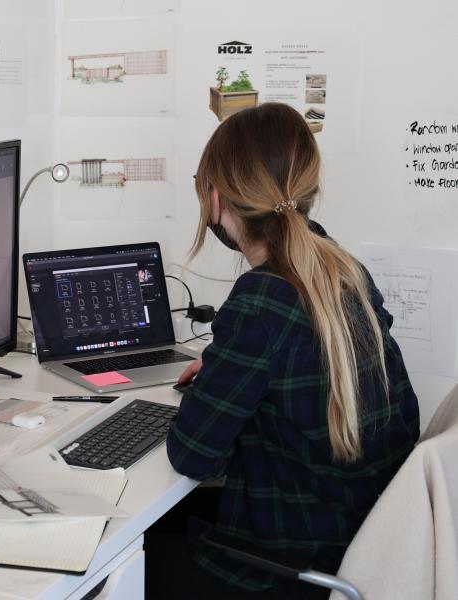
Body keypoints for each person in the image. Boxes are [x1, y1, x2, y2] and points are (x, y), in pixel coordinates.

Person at [145, 103, 420, 599]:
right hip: (357, 544)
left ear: (214, 199)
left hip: (287, 568)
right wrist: (227, 366)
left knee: (118, 559)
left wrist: (217, 380)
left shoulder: (260, 300)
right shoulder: (344, 271)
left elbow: (193, 456)